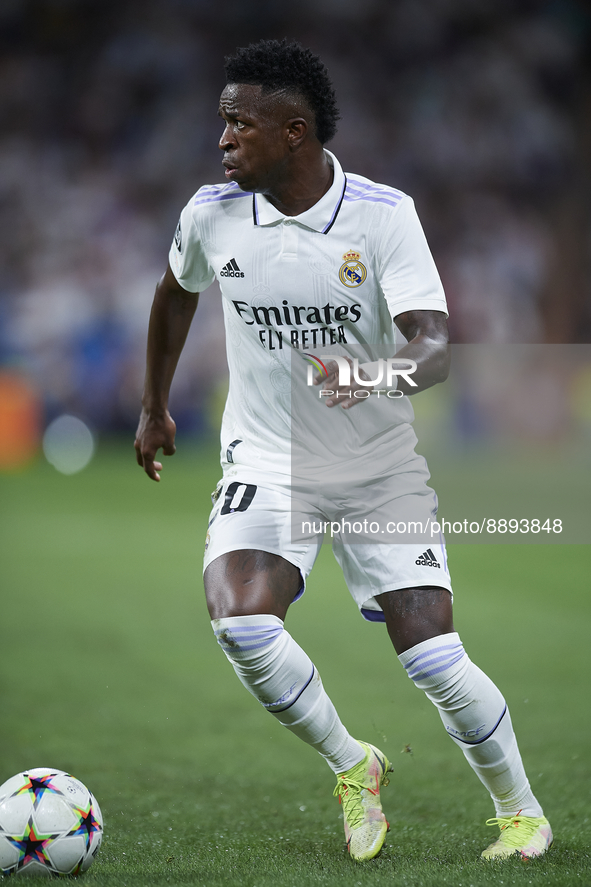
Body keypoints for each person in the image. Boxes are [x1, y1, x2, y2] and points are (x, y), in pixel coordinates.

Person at [134, 38, 552, 863]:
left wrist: (370, 371)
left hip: (377, 469)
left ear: (294, 132)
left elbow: (433, 348)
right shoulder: (211, 214)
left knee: (432, 652)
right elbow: (174, 294)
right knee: (242, 623)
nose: (221, 142)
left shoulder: (381, 214)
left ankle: (521, 812)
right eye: (222, 125)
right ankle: (353, 763)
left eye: (237, 125)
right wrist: (153, 406)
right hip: (267, 458)